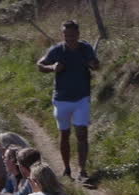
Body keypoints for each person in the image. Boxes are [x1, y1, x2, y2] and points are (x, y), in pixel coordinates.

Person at [37, 20, 100, 184]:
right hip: (61, 99)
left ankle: (82, 171)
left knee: (82, 134)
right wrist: (52, 68)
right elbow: (40, 65)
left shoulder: (86, 48)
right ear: (62, 34)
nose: (69, 38)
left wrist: (94, 64)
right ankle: (66, 169)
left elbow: (96, 65)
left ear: (78, 34)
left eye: (72, 35)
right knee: (64, 134)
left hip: (82, 98)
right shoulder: (57, 50)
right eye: (66, 35)